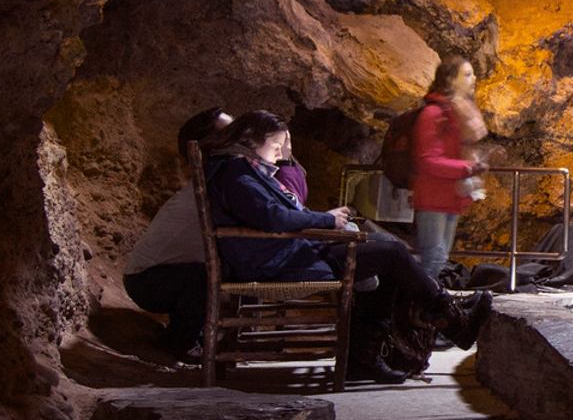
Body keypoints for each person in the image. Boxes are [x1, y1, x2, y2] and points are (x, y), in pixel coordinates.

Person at [207, 111, 491, 381]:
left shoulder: (243, 172)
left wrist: (324, 222)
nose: (282, 154)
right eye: (276, 145)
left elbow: (273, 214)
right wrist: (327, 220)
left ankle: (366, 356)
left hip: (286, 252)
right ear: (250, 141)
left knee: (385, 251)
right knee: (391, 253)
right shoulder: (237, 175)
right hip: (276, 260)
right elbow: (273, 216)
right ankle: (453, 319)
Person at [122, 107, 232, 356]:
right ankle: (179, 343)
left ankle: (197, 334)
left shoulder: (214, 187)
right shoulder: (210, 191)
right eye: (229, 134)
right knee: (203, 275)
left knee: (211, 271)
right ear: (209, 148)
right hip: (146, 281)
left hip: (163, 275)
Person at [410, 56, 487, 282]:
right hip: (433, 197)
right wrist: (468, 168)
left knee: (439, 259)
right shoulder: (433, 114)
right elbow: (427, 160)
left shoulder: (454, 114)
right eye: (467, 74)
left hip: (450, 196)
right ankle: (417, 310)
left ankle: (424, 310)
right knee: (432, 260)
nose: (474, 78)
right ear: (451, 79)